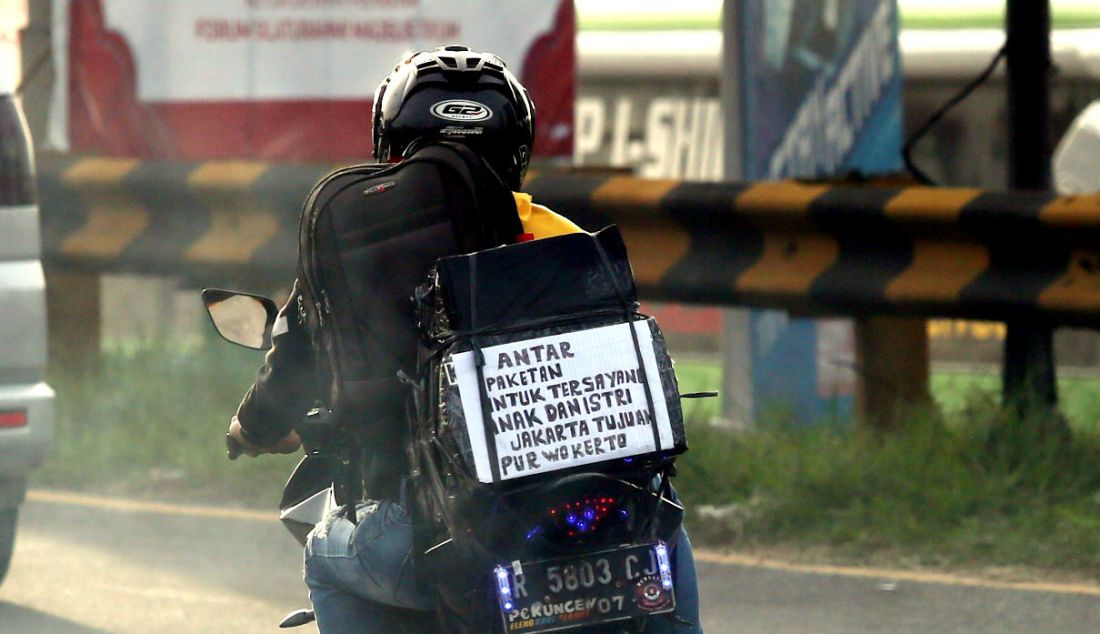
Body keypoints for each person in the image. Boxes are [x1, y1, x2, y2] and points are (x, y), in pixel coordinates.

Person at [227, 46, 702, 633]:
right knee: (661, 534)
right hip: (583, 518)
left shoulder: (357, 243)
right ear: (515, 152)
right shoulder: (568, 240)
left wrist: (252, 429)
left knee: (326, 557)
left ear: (392, 142)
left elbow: (290, 362)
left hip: (437, 531)